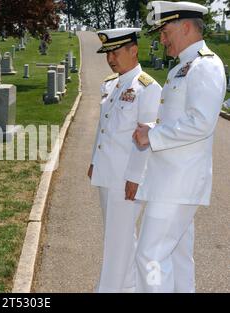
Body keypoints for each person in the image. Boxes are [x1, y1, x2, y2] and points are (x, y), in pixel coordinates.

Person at [133, 1, 227, 292]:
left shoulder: (205, 65)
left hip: (178, 182)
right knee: (177, 255)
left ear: (185, 27)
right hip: (171, 180)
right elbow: (181, 119)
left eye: (165, 31)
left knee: (150, 255)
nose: (161, 39)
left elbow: (201, 121)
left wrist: (153, 135)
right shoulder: (182, 68)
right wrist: (154, 129)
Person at [88, 28, 162, 292]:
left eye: (116, 52)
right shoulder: (111, 84)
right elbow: (104, 127)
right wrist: (94, 160)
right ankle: (130, 288)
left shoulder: (148, 88)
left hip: (125, 179)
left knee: (117, 243)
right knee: (119, 238)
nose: (111, 58)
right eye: (108, 53)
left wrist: (135, 177)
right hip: (107, 173)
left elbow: (147, 136)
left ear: (134, 50)